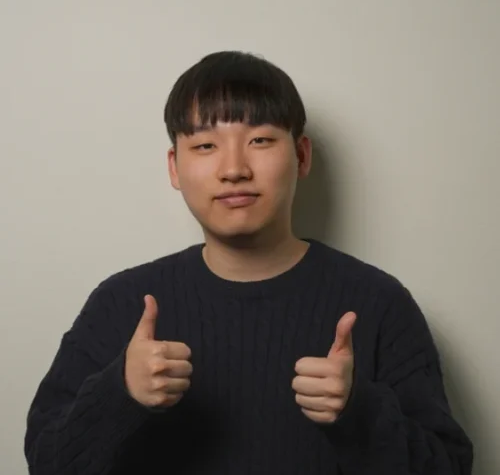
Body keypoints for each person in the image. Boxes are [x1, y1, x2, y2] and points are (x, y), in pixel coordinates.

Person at [24, 50, 473, 475]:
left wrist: (360, 412)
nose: (234, 169)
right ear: (174, 168)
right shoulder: (122, 304)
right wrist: (120, 393)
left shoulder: (378, 303)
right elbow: (46, 461)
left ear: (301, 156)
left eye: (260, 140)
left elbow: (450, 466)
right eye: (205, 145)